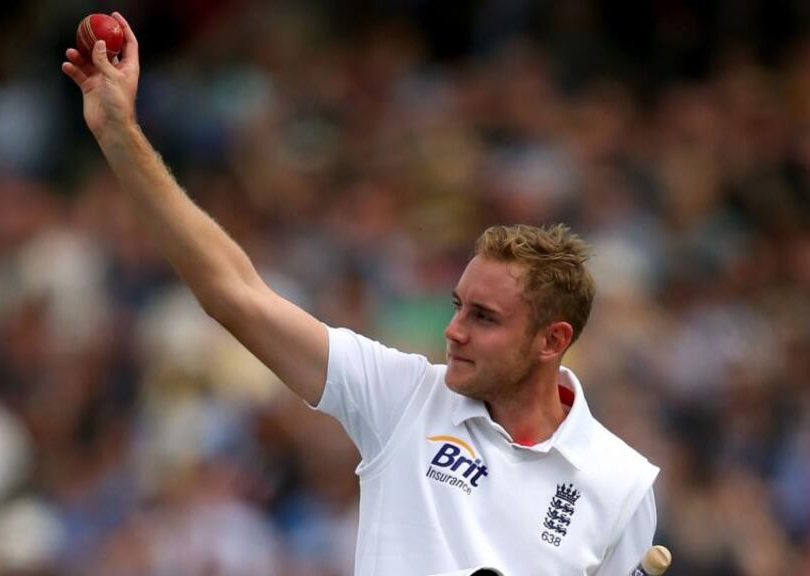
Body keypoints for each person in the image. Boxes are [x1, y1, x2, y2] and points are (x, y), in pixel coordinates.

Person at [62, 12, 659, 575]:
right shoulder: (402, 397)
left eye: (484, 317)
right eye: (458, 307)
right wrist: (120, 132)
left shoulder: (623, 486)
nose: (453, 332)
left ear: (551, 340)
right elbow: (233, 293)